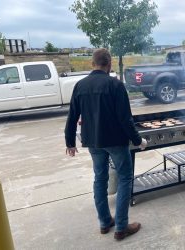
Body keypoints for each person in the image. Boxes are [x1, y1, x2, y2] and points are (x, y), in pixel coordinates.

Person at [64, 48, 147, 240]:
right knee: (125, 177)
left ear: (93, 64)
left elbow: (72, 116)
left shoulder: (80, 86)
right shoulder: (115, 85)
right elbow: (125, 119)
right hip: (116, 141)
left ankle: (104, 222)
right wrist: (138, 140)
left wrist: (69, 141)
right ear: (109, 64)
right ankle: (121, 227)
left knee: (99, 179)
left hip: (93, 141)